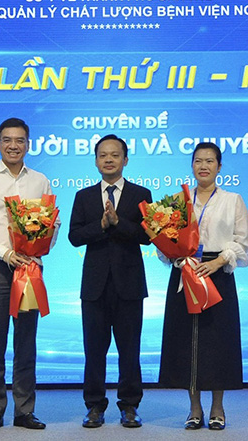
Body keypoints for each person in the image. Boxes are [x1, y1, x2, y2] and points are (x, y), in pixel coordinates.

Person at [0, 117, 56, 432]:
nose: (13, 146)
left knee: (26, 343)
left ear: (28, 144)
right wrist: (4, 253)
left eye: (19, 140)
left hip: (29, 269)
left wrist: (38, 249)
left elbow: (52, 222)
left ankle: (24, 411)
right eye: (7, 140)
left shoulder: (40, 181)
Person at [159, 142, 248, 431]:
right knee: (187, 342)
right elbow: (163, 245)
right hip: (185, 273)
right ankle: (194, 408)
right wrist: (176, 255)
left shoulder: (233, 200)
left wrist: (219, 262)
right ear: (192, 166)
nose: (203, 166)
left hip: (218, 273)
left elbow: (243, 244)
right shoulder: (178, 201)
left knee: (217, 343)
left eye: (209, 161)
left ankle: (218, 407)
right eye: (198, 161)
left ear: (219, 167)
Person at [68, 134, 153, 428]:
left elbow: (148, 236)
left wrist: (119, 223)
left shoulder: (141, 194)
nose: (108, 160)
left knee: (130, 350)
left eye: (115, 155)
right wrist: (102, 225)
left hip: (129, 284)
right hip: (95, 286)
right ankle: (94, 406)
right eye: (103, 155)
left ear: (125, 160)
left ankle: (129, 405)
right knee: (94, 350)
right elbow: (74, 236)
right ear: (95, 161)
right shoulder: (84, 196)